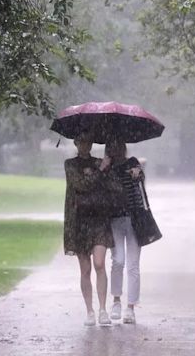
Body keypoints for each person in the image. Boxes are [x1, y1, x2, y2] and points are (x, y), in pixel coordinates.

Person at [63, 133, 120, 326]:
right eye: (81, 141)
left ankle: (103, 309)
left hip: (99, 220)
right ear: (76, 143)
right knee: (85, 269)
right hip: (80, 222)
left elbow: (113, 186)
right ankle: (90, 311)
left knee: (99, 264)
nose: (85, 145)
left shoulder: (100, 162)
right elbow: (81, 186)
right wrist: (100, 171)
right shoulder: (70, 164)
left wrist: (108, 167)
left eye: (88, 141)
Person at [103, 139, 146, 324]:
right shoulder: (106, 168)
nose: (116, 149)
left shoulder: (132, 163)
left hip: (135, 218)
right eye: (112, 146)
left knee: (133, 265)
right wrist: (103, 169)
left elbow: (141, 177)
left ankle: (131, 307)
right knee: (118, 260)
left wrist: (137, 173)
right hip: (114, 219)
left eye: (119, 145)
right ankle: (116, 301)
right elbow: (99, 187)